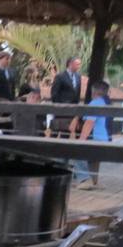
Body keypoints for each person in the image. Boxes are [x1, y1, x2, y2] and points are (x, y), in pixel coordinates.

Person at [50, 56, 92, 185]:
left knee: (69, 141)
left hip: (73, 113)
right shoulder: (60, 77)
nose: (78, 66)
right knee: (63, 140)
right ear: (70, 64)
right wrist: (60, 110)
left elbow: (77, 96)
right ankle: (64, 171)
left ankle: (67, 171)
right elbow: (54, 95)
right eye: (77, 64)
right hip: (62, 113)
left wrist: (76, 113)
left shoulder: (78, 78)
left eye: (79, 64)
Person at [76, 81, 112, 189]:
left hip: (96, 138)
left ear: (94, 92)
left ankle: (84, 179)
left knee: (76, 151)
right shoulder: (107, 103)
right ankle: (95, 181)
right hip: (106, 139)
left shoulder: (95, 103)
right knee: (95, 159)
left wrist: (80, 140)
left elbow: (89, 123)